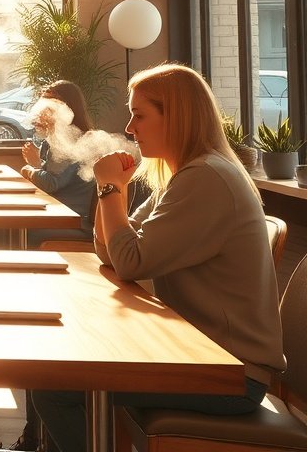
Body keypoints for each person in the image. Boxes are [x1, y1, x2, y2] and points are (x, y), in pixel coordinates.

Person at [31, 63, 284, 452]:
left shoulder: (207, 178)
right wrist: (111, 189)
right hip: (199, 354)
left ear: (177, 117)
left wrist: (109, 187)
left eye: (140, 115)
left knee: (53, 388)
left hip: (231, 373)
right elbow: (112, 251)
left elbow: (130, 261)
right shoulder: (183, 175)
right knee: (62, 368)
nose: (130, 127)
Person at [19, 80, 98, 242]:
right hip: (60, 215)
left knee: (21, 230)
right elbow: (57, 179)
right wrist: (37, 166)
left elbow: (51, 184)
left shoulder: (69, 140)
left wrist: (31, 169)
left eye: (46, 107)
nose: (40, 113)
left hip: (72, 223)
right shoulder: (59, 137)